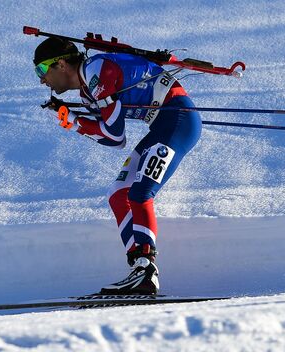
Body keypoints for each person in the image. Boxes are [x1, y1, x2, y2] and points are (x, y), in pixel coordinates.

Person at [33, 37, 201, 295]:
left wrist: (76, 122)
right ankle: (138, 268)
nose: (42, 80)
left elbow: (112, 134)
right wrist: (75, 120)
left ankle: (145, 271)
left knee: (141, 192)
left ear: (62, 63)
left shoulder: (96, 72)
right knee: (118, 192)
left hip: (179, 121)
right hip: (161, 125)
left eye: (42, 70)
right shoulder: (89, 89)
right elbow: (116, 140)